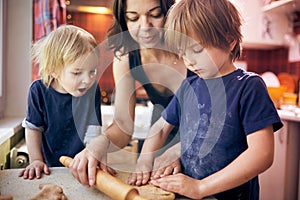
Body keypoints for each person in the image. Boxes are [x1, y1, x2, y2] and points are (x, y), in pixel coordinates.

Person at [128, 0, 283, 199]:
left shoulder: (249, 87)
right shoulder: (188, 87)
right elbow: (160, 129)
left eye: (197, 50)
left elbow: (262, 155)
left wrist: (201, 187)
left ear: (229, 40)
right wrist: (144, 161)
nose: (190, 61)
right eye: (183, 53)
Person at [69, 0, 189, 187]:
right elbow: (123, 124)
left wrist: (180, 151)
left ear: (169, 12)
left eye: (155, 14)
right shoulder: (127, 58)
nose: (144, 27)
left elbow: (218, 115)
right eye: (133, 18)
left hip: (202, 138)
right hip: (158, 140)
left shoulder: (191, 48)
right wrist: (100, 143)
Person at [19, 25, 102, 180]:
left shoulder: (93, 90)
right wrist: (36, 160)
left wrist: (94, 157)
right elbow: (33, 129)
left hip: (81, 165)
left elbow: (94, 131)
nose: (88, 80)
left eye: (92, 71)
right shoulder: (38, 91)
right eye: (77, 73)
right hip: (49, 169)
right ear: (53, 70)